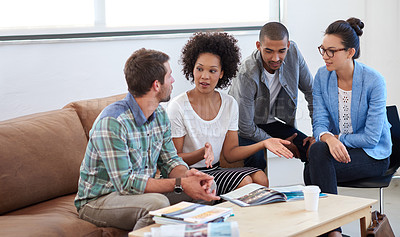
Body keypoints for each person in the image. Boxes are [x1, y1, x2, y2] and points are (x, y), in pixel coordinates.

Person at [74, 48, 220, 231]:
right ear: (157, 85)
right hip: (99, 200)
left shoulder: (159, 114)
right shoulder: (113, 123)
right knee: (156, 203)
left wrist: (189, 176)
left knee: (206, 187)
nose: (173, 81)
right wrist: (181, 183)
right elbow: (126, 184)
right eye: (169, 76)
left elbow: (170, 161)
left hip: (137, 193)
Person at [167, 32, 293, 196]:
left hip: (216, 170)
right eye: (199, 69)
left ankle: (254, 221)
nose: (204, 76)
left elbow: (230, 153)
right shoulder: (178, 106)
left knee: (261, 178)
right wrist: (201, 153)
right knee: (245, 182)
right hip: (190, 174)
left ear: (221, 73)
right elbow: (174, 160)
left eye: (212, 71)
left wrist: (264, 143)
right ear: (192, 68)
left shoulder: (229, 103)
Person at [305, 17, 391, 237]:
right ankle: (334, 232)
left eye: (331, 51)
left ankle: (331, 232)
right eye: (322, 50)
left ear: (350, 52)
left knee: (312, 171)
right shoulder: (322, 77)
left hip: (372, 155)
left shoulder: (374, 81)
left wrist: (337, 138)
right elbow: (320, 122)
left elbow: (371, 138)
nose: (325, 56)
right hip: (337, 150)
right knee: (316, 157)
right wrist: (328, 138)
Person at [228, 22, 314, 171]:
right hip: (242, 127)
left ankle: (315, 193)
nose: (275, 58)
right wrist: (273, 142)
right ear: (258, 46)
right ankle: (258, 193)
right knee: (256, 158)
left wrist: (317, 132)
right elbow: (246, 127)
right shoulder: (246, 74)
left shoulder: (293, 52)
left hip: (268, 122)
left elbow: (312, 92)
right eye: (268, 51)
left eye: (281, 51)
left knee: (312, 149)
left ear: (288, 45)